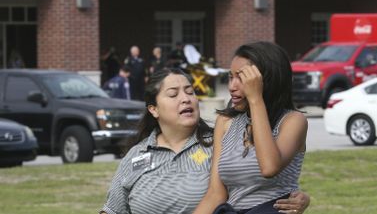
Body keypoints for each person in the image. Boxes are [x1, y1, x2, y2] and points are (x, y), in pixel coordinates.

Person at [100, 69, 309, 214]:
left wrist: (298, 198)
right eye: (173, 94)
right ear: (153, 109)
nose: (186, 98)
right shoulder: (136, 155)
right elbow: (112, 209)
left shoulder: (222, 144)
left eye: (190, 92)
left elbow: (258, 181)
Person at [194, 41, 308, 214]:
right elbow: (216, 194)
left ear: (265, 80)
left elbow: (269, 167)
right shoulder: (225, 122)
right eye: (231, 77)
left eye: (242, 78)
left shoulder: (293, 121)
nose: (232, 87)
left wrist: (255, 99)